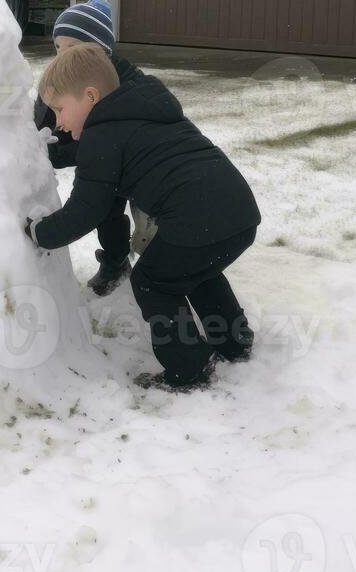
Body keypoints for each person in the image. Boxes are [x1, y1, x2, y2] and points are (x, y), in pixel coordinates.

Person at [24, 44, 261, 390]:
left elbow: (85, 211)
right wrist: (52, 153)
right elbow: (93, 153)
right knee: (196, 272)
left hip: (195, 218)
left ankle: (189, 368)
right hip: (237, 213)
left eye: (59, 109)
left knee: (153, 280)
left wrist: (39, 233)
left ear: (90, 96)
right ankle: (234, 341)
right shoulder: (141, 110)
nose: (57, 121)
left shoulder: (103, 137)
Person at [34, 0, 143, 296]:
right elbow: (44, 123)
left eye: (72, 48)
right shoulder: (59, 80)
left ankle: (135, 263)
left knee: (121, 216)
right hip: (96, 162)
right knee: (104, 213)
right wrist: (42, 146)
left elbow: (112, 138)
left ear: (99, 52)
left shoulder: (125, 84)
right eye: (58, 47)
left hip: (127, 165)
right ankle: (118, 260)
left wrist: (64, 153)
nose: (62, 55)